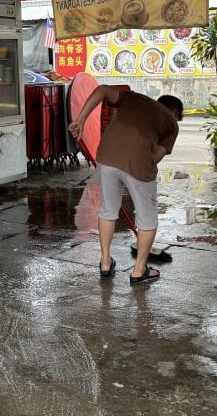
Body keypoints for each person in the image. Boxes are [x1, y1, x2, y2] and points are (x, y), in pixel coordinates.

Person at [69, 86, 182, 284]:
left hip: (106, 154)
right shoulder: (171, 123)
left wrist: (80, 120)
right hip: (138, 160)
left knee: (108, 210)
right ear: (174, 112)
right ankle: (139, 271)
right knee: (147, 217)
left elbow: (101, 90)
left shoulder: (133, 98)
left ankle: (105, 263)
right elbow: (156, 157)